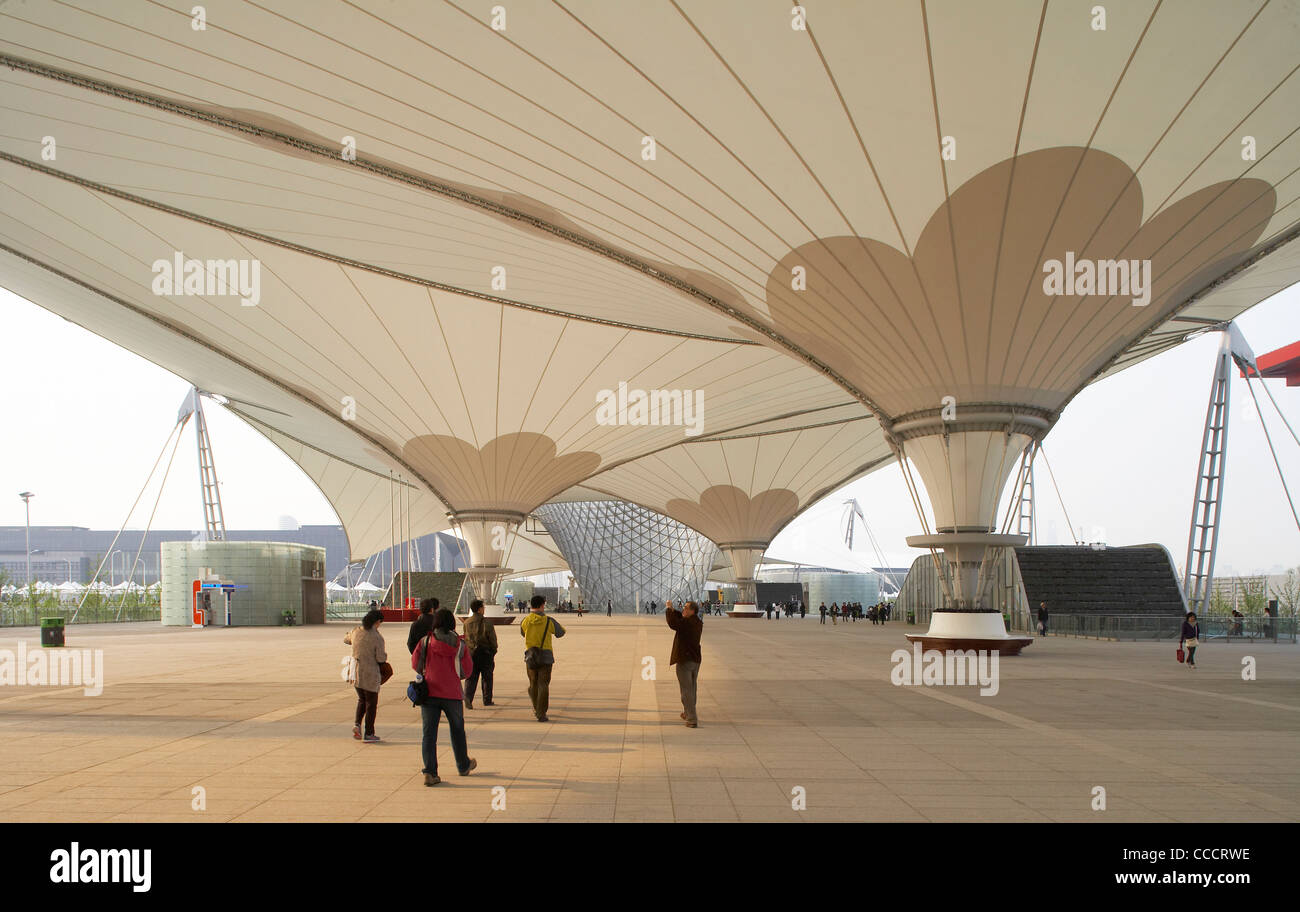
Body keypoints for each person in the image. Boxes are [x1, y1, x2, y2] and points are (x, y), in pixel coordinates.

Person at [413, 608, 477, 785]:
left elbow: (415, 663)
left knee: (429, 734)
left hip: (430, 693)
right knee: (457, 730)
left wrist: (428, 672)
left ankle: (430, 772)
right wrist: (454, 676)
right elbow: (468, 670)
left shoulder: (425, 642)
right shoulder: (460, 645)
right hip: (452, 694)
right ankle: (463, 765)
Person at [521, 594, 566, 722]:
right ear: (542, 605)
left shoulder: (526, 620)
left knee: (533, 684)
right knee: (543, 684)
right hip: (546, 657)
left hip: (530, 656)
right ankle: (541, 712)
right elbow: (561, 633)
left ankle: (536, 707)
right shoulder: (548, 620)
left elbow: (522, 632)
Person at [346, 608, 387, 743]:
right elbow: (380, 658)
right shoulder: (377, 637)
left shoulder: (356, 631)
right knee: (371, 703)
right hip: (370, 673)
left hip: (356, 671)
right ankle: (369, 733)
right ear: (376, 622)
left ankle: (357, 725)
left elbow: (346, 640)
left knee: (362, 699)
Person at [665, 599, 703, 728]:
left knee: (686, 690)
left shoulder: (687, 623)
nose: (683, 609)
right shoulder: (697, 622)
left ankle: (692, 719)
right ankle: (688, 713)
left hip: (685, 660)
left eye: (686, 608)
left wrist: (669, 609)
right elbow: (680, 619)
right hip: (695, 660)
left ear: (692, 611)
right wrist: (673, 611)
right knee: (692, 688)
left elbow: (673, 624)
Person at [463, 598, 498, 709]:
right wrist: (494, 650)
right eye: (483, 607)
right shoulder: (487, 622)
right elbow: (492, 639)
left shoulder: (466, 622)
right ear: (479, 609)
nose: (484, 609)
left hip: (471, 653)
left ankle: (468, 698)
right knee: (487, 677)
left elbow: (465, 637)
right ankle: (487, 699)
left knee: (471, 677)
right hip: (485, 653)